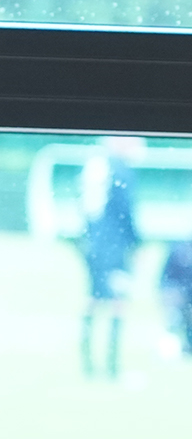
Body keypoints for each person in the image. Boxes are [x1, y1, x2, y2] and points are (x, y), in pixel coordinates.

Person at [77, 136, 143, 380]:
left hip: (92, 244)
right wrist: (136, 243)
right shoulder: (121, 170)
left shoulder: (96, 166)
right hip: (114, 246)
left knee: (93, 297)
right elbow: (126, 212)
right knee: (118, 300)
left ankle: (89, 365)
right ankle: (111, 367)